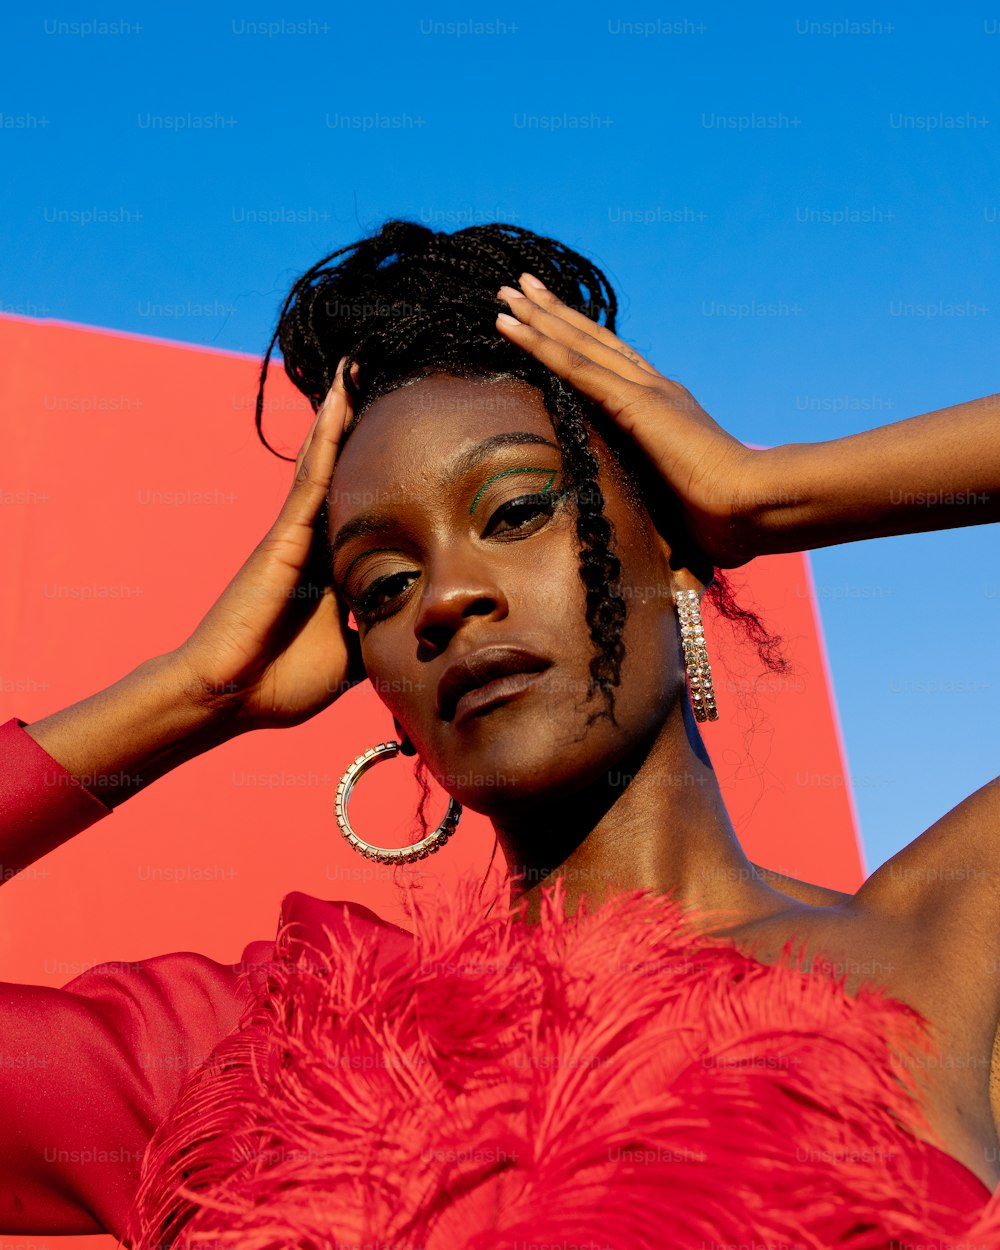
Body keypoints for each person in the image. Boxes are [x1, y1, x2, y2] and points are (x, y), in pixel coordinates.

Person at [2, 219, 999, 1249]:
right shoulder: (261, 1045)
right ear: (383, 692)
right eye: (382, 584)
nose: (447, 595)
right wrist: (189, 694)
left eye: (518, 510)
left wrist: (769, 492)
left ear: (679, 556)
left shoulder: (951, 946)